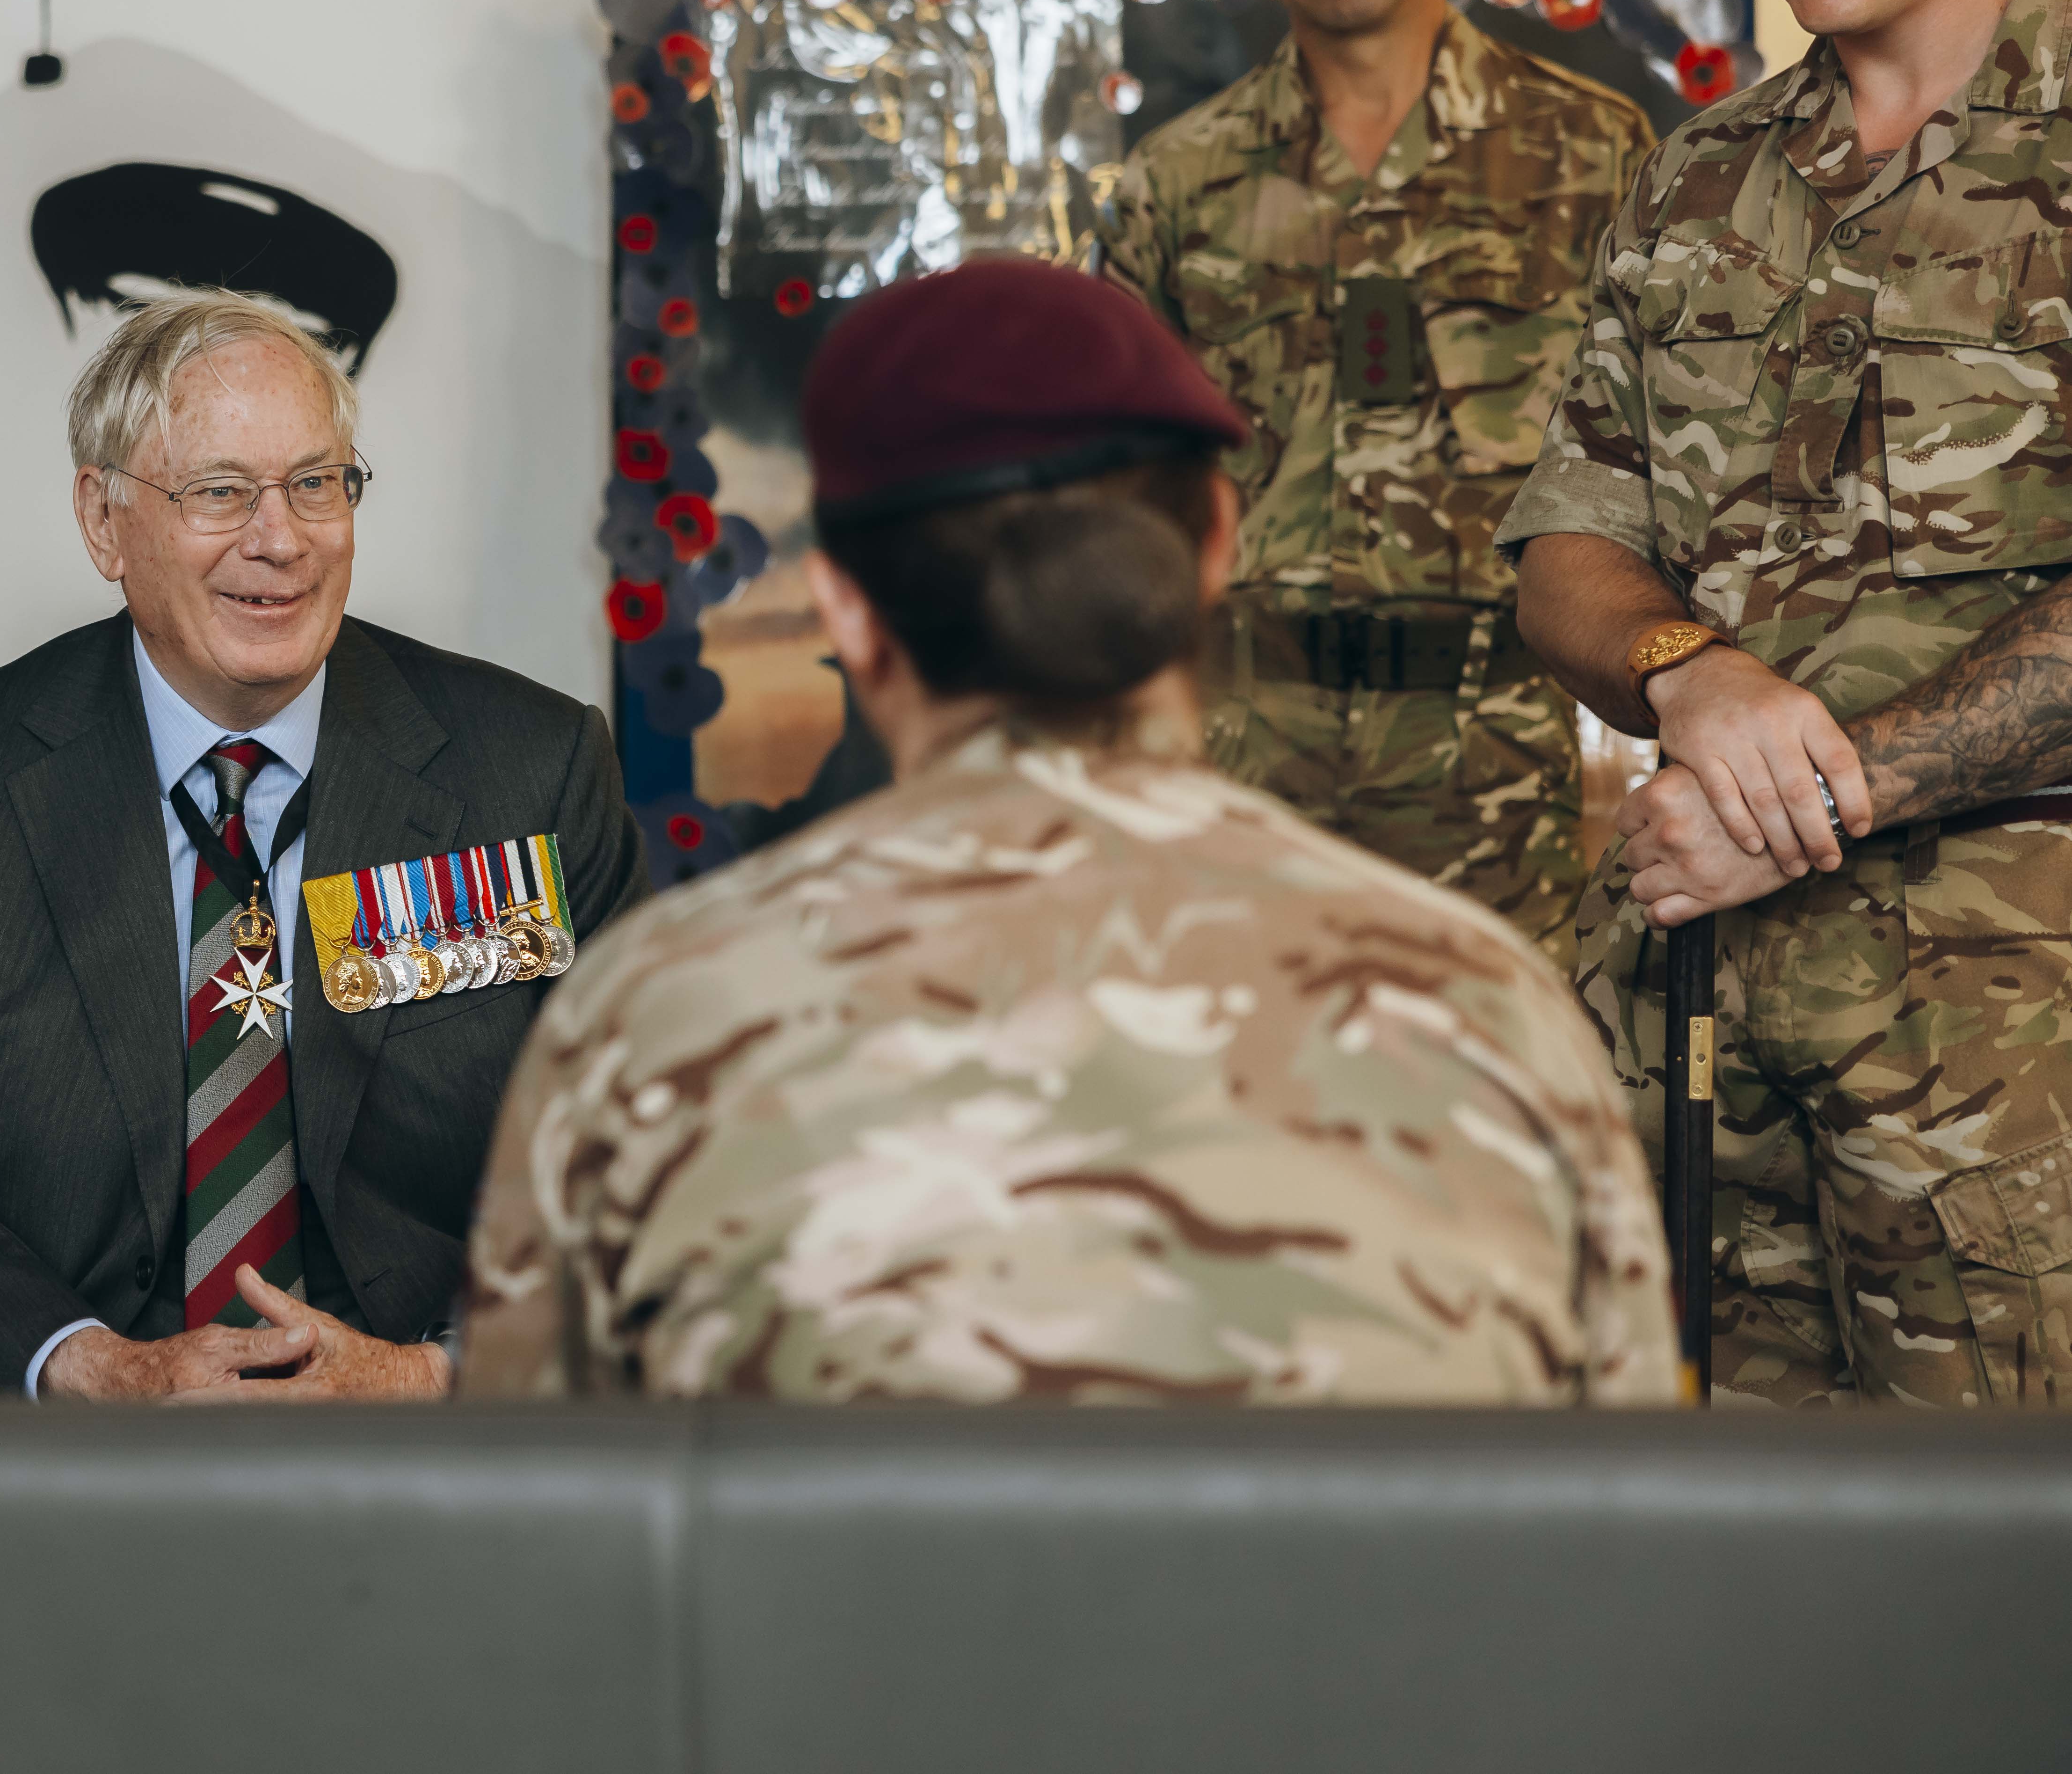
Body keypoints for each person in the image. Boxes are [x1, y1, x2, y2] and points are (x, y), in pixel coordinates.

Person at [461, 260, 1677, 1404]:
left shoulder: (651, 1022)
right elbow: (1616, 1533)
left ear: (844, 611)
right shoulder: (1487, 1005)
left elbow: (545, 1539)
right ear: (1214, 543)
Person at [1505, 0, 2072, 1407]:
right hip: (1709, 1056)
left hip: (2017, 1084)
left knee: (2004, 1634)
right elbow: (1563, 549)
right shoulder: (1699, 178)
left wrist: (1824, 790)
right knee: (1738, 1620)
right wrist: (1688, 674)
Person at [0, 291, 647, 1396]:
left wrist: (427, 1380)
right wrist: (97, 1370)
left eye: (317, 483)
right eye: (220, 493)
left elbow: (654, 1172)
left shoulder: (529, 772)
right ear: (104, 521)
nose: (282, 539)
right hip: (85, 1476)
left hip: (444, 1456)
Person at [1100, 0, 1650, 967]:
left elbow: (1663, 456)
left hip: (1500, 740)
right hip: (1247, 736)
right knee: (1244, 1095)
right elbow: (1123, 490)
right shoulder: (1178, 183)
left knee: (1493, 1106)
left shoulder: (1591, 154)